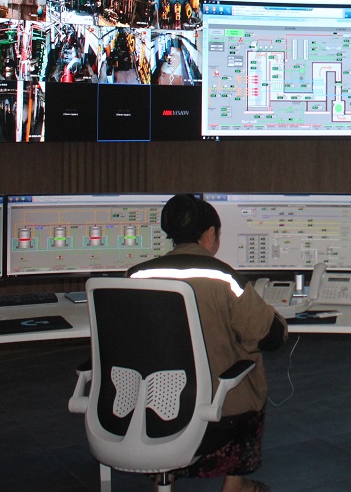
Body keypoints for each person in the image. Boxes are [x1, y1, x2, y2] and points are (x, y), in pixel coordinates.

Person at [128, 194, 287, 492]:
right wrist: (273, 313)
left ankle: (164, 473)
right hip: (216, 411)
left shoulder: (135, 276)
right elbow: (270, 336)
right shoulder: (224, 278)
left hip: (151, 407)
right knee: (248, 366)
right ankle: (235, 485)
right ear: (210, 235)